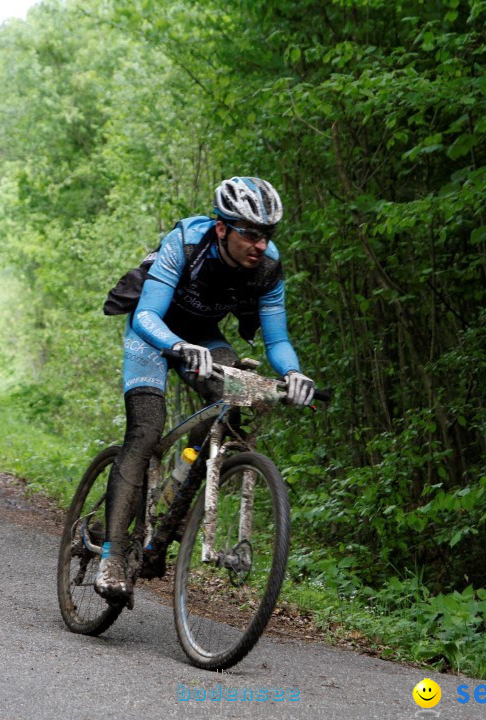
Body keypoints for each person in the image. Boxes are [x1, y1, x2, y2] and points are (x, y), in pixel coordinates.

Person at [94, 176, 316, 605]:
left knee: (234, 402)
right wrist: (176, 345)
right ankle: (113, 555)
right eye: (249, 234)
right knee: (146, 429)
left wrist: (294, 373)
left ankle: (173, 508)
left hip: (203, 336)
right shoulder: (187, 243)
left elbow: (277, 340)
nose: (259, 244)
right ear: (221, 229)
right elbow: (146, 315)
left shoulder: (269, 266)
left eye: (266, 235)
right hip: (154, 332)